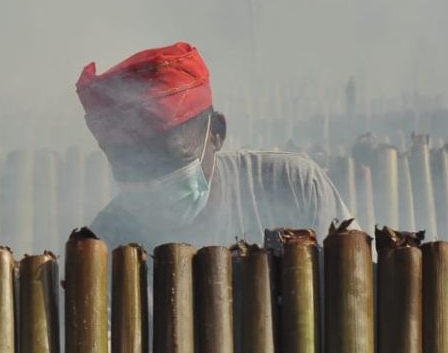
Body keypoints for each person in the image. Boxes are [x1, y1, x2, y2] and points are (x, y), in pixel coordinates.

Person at [76, 42, 352, 247]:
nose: (152, 179)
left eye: (168, 157)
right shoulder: (102, 247)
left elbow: (359, 292)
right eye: (130, 164)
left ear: (216, 133)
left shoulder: (295, 187)